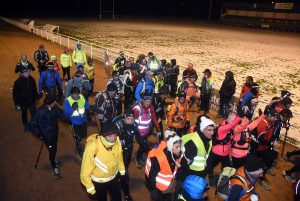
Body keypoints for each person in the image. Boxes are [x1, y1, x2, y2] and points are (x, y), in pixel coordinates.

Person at [80, 120, 126, 201]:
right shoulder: (92, 147)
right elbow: (85, 171)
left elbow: (119, 157)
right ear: (103, 135)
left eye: (115, 135)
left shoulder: (117, 140)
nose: (113, 139)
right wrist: (91, 190)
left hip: (114, 178)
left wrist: (122, 173)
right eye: (110, 136)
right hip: (99, 182)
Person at [29, 94, 72, 178]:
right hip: (46, 136)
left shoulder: (54, 108)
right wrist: (40, 135)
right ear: (49, 103)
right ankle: (54, 168)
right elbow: (32, 125)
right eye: (54, 101)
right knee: (52, 151)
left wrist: (68, 121)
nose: (55, 102)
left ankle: (53, 159)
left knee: (54, 148)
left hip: (54, 133)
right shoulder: (40, 112)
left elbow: (61, 115)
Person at [113, 107, 149, 201]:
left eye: (132, 119)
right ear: (124, 118)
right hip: (117, 152)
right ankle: (120, 179)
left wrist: (147, 146)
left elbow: (139, 138)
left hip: (128, 149)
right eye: (128, 119)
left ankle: (124, 173)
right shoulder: (118, 126)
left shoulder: (135, 125)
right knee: (119, 168)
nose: (130, 121)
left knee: (126, 164)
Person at [145, 130, 187, 201]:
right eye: (176, 147)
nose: (179, 149)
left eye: (180, 146)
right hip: (158, 187)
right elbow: (152, 176)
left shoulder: (177, 155)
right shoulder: (159, 158)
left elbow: (178, 169)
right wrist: (153, 190)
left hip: (169, 185)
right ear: (170, 147)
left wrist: (179, 182)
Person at [207, 107, 244, 178]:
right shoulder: (222, 129)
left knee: (227, 169)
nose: (236, 124)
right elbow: (231, 125)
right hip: (216, 153)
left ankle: (222, 178)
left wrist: (247, 119)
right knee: (209, 167)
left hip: (225, 154)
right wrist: (239, 117)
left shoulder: (232, 129)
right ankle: (208, 175)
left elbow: (240, 127)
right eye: (234, 122)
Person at [133, 95, 161, 168]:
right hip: (138, 132)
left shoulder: (151, 107)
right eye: (146, 101)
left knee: (142, 147)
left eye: (149, 101)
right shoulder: (137, 109)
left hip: (146, 131)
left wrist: (158, 129)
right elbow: (131, 120)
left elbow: (154, 118)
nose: (148, 103)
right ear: (143, 100)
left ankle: (139, 158)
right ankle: (137, 159)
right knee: (144, 146)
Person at [255, 109, 280, 191]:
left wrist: (273, 142)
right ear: (269, 116)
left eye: (276, 117)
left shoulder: (271, 123)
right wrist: (272, 144)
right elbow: (260, 139)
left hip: (265, 148)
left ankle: (260, 179)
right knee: (253, 163)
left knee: (265, 163)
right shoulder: (263, 124)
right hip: (257, 148)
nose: (276, 119)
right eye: (274, 117)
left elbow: (271, 135)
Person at [64, 87, 90, 159]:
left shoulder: (81, 97)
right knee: (77, 138)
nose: (76, 95)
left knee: (83, 135)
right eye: (74, 94)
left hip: (83, 121)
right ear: (72, 94)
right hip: (74, 123)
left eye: (77, 94)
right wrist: (72, 108)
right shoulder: (67, 101)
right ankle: (80, 152)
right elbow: (66, 114)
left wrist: (92, 107)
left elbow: (86, 105)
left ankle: (79, 141)